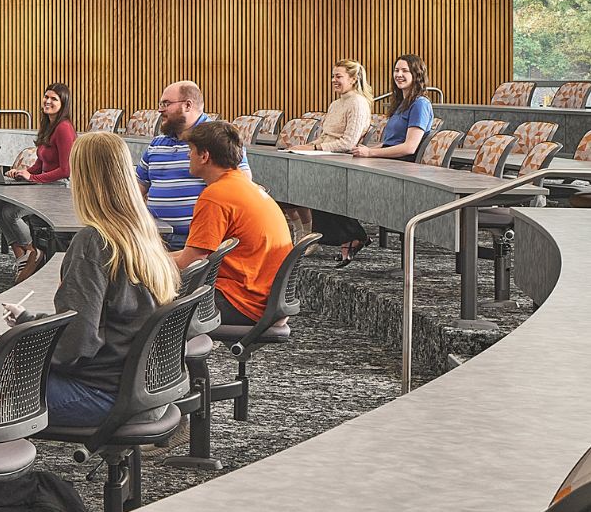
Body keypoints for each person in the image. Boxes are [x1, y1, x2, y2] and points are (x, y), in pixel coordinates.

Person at [1, 131, 180, 428]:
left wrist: (29, 350)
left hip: (103, 396)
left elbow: (77, 346)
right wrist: (33, 321)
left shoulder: (94, 242)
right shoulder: (141, 232)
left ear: (84, 180)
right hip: (146, 390)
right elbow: (99, 321)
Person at [175, 121, 294, 328]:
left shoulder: (216, 196)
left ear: (204, 156)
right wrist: (152, 256)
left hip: (242, 302)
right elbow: (194, 254)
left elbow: (191, 263)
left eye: (191, 151)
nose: (188, 156)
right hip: (265, 300)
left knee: (144, 303)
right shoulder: (246, 186)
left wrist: (140, 264)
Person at [291, 60, 375, 262]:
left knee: (318, 188)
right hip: (324, 155)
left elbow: (348, 142)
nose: (333, 80)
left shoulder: (357, 103)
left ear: (353, 79)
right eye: (333, 76)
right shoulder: (336, 103)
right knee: (290, 176)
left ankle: (350, 236)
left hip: (343, 160)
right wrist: (306, 147)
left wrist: (314, 148)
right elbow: (325, 136)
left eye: (338, 76)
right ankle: (305, 232)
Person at [0, 83, 76, 276]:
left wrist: (33, 177)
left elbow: (66, 170)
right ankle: (22, 258)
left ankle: (32, 252)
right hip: (44, 186)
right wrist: (22, 172)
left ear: (63, 103)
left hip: (58, 189)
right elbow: (40, 163)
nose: (48, 101)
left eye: (54, 99)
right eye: (46, 97)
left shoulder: (64, 128)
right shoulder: (49, 126)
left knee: (10, 212)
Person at [136, 80, 212, 247]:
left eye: (166, 103)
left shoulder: (217, 139)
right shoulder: (156, 143)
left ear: (187, 105)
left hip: (196, 242)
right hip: (154, 238)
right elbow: (135, 190)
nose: (160, 109)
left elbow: (238, 184)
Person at [353, 54, 434, 160]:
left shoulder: (420, 104)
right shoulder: (402, 103)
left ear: (416, 75)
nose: (399, 74)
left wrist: (370, 152)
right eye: (396, 70)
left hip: (403, 166)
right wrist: (365, 150)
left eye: (405, 70)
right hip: (391, 161)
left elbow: (409, 148)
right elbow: (390, 143)